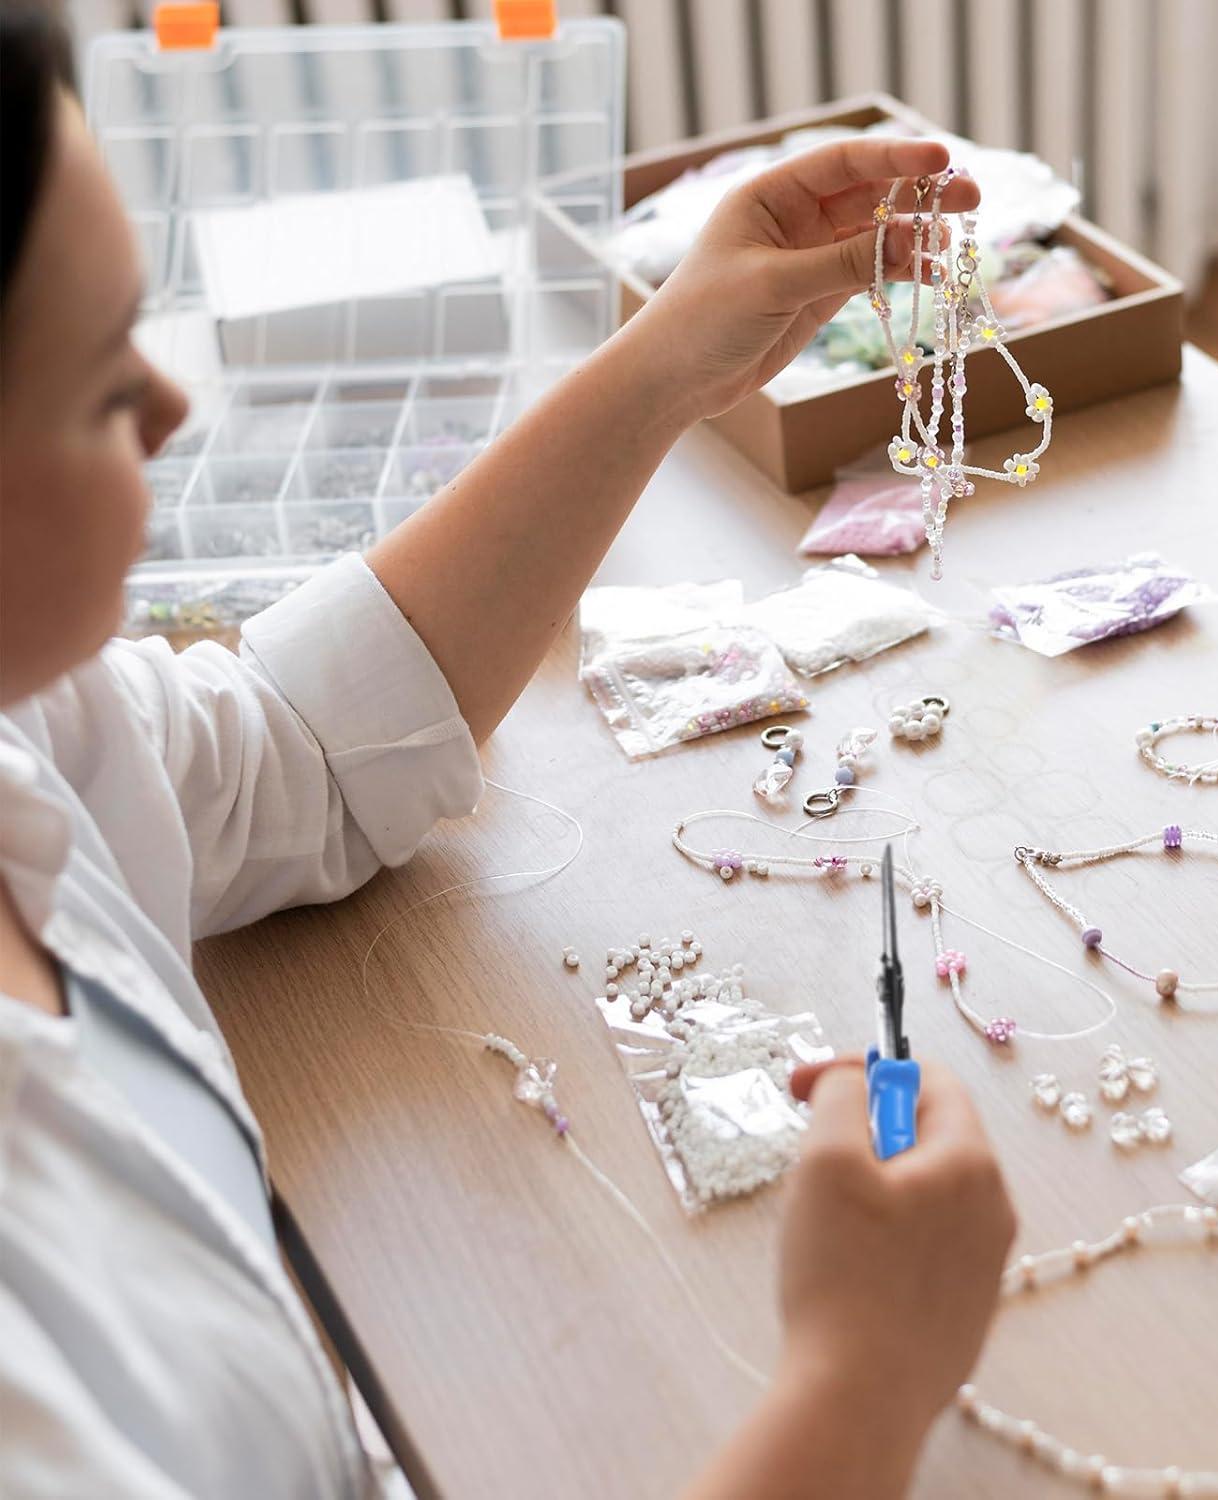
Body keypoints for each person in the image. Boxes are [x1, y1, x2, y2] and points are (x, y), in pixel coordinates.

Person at [0, 4, 1015, 1495]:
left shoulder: (29, 725)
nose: (172, 407)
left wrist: (669, 360)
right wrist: (860, 1384)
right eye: (103, 381)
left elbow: (296, 748)